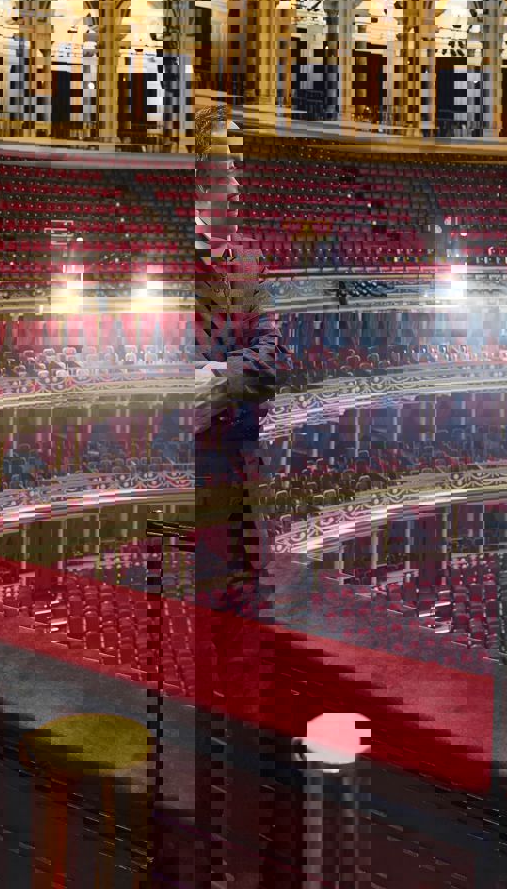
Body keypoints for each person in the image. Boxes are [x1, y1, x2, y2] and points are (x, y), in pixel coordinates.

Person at [192, 102, 296, 887]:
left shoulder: (250, 260)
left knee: (242, 616)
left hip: (237, 471)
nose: (231, 183)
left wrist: (217, 380)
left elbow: (272, 354)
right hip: (180, 482)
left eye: (234, 170)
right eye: (219, 168)